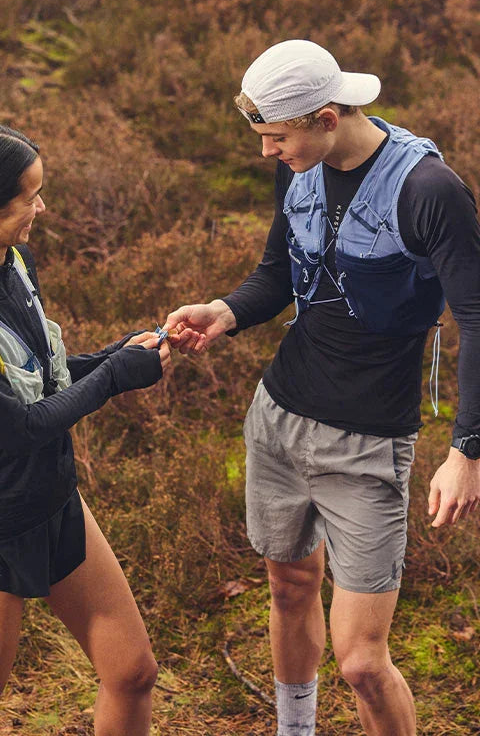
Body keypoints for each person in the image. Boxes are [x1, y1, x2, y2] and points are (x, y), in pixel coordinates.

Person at [164, 40, 480, 735]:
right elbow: (278, 271)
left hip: (368, 445)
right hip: (279, 419)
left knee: (363, 661)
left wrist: (468, 449)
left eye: (277, 137)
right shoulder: (300, 165)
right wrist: (224, 311)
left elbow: (478, 315)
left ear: (328, 116)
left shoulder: (428, 191)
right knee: (288, 586)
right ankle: (294, 728)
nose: (267, 152)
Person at [0, 121, 170, 736]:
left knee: (131, 672)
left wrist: (116, 354)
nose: (41, 207)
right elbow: (19, 427)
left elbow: (42, 377)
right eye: (31, 197)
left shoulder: (17, 262)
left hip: (53, 498)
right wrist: (117, 377)